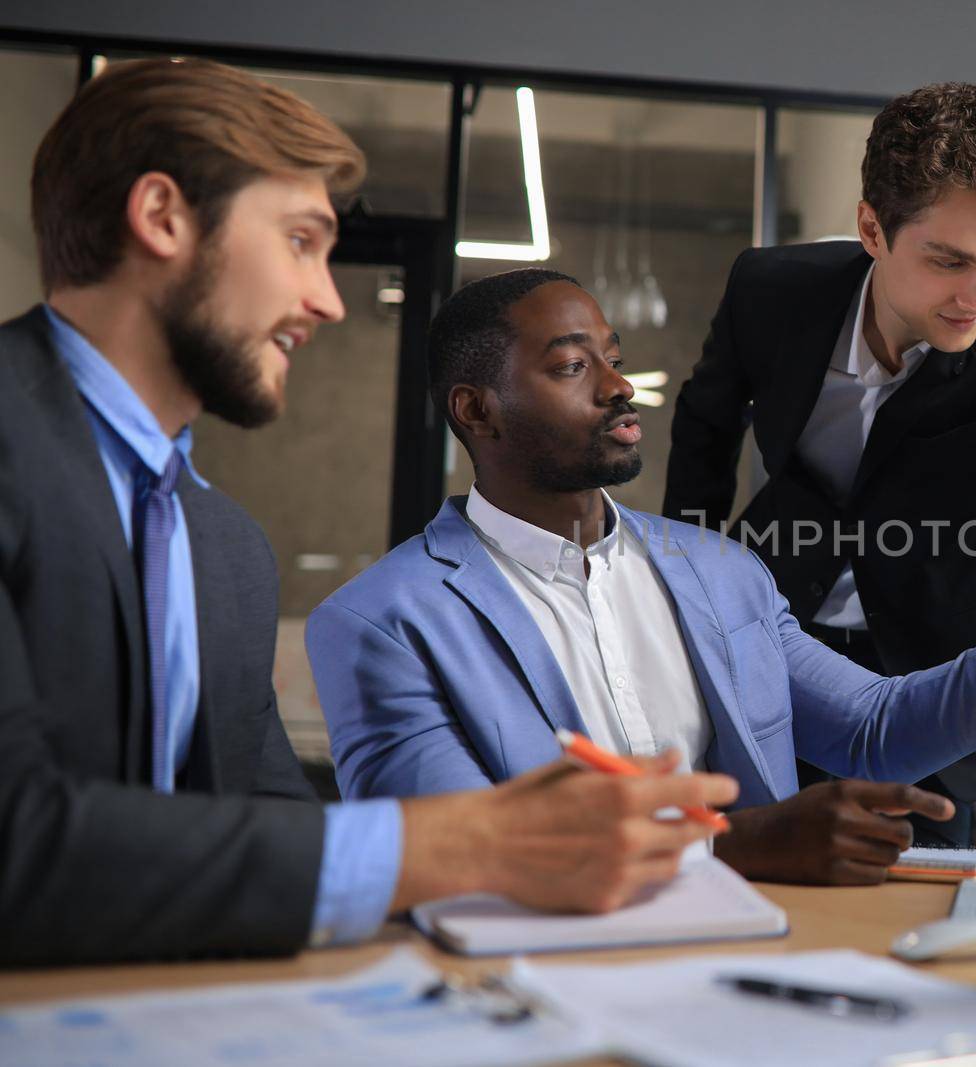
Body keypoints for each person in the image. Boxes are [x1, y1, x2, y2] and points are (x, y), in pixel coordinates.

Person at [0, 58, 735, 968]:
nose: (327, 299)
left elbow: (269, 835)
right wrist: (470, 840)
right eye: (301, 242)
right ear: (161, 219)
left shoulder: (227, 551)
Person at [305, 267, 976, 886]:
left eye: (613, 356)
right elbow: (446, 854)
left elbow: (880, 727)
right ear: (475, 410)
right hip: (543, 990)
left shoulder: (724, 572)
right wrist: (734, 844)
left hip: (763, 958)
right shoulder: (382, 621)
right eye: (575, 366)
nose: (621, 387)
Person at [661, 83, 976, 848]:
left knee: (930, 909)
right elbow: (704, 426)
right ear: (872, 230)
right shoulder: (770, 294)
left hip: (939, 668)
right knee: (757, 879)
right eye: (949, 261)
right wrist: (685, 587)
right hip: (780, 639)